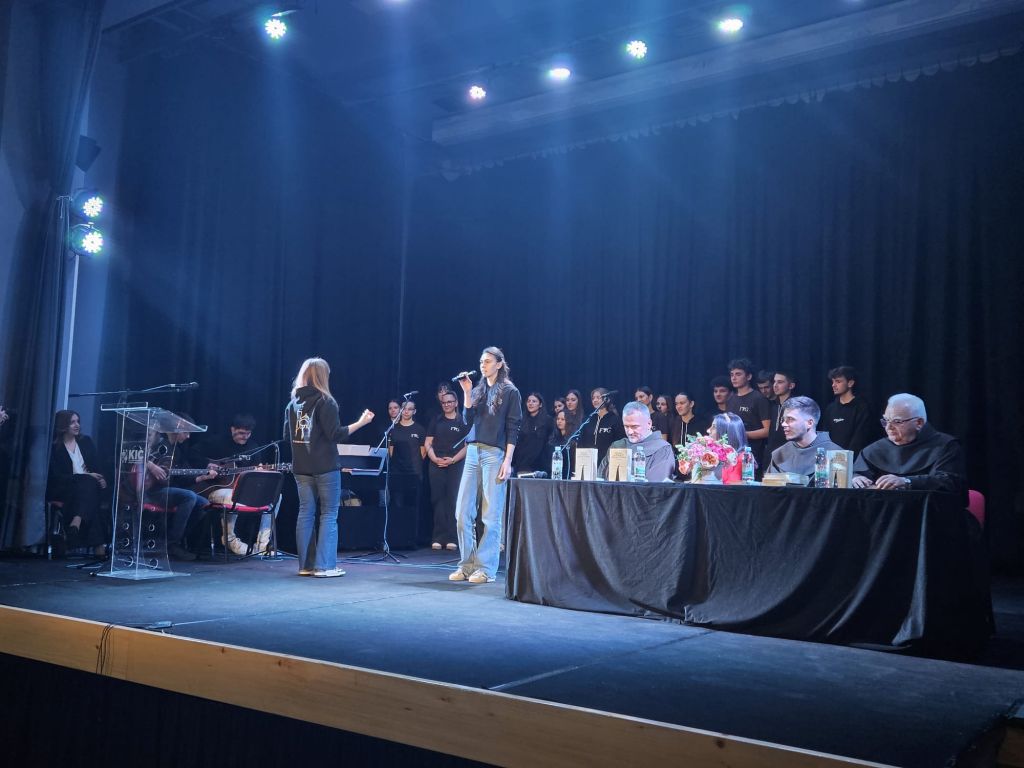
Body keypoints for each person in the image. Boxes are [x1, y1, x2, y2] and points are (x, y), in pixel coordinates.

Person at [288, 357, 374, 578]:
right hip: (325, 466)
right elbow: (336, 434)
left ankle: (306, 566)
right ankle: (324, 566)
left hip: (301, 467)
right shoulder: (325, 401)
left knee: (305, 513)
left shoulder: (293, 403)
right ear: (323, 376)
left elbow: (287, 435)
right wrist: (362, 422)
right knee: (328, 514)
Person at [450, 346, 522, 585]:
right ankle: (467, 564)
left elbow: (513, 427)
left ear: (499, 364)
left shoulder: (510, 391)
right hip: (473, 451)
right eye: (481, 361)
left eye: (488, 361)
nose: (483, 365)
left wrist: (508, 460)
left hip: (494, 453)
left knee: (490, 514)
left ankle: (486, 569)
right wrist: (466, 392)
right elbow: (467, 421)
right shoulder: (478, 390)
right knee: (462, 512)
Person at [852, 394, 967, 505]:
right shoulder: (875, 449)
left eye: (897, 421)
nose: (888, 427)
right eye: (886, 420)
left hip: (929, 512)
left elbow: (949, 481)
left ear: (919, 423)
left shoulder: (946, 446)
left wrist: (906, 482)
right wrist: (856, 478)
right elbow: (856, 472)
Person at [47, 410, 108, 557]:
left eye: (78, 421)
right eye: (72, 422)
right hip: (65, 488)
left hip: (88, 488)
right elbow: (56, 477)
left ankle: (76, 521)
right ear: (63, 425)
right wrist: (85, 476)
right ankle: (98, 545)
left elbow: (97, 468)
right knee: (89, 489)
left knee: (90, 486)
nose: (77, 425)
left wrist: (101, 478)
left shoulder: (86, 442)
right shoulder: (55, 447)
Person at [425, 391, 468, 551]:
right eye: (444, 402)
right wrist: (434, 458)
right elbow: (428, 443)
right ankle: (438, 537)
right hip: (436, 463)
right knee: (438, 500)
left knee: (453, 500)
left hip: (456, 464)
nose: (447, 405)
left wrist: (453, 460)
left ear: (456, 403)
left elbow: (467, 446)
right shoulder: (436, 420)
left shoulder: (463, 421)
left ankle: (452, 537)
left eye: (450, 402)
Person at [598, 401, 675, 482]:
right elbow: (599, 479)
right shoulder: (617, 446)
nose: (630, 432)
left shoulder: (662, 449)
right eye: (626, 426)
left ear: (649, 423)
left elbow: (655, 486)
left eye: (634, 427)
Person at [769, 396, 841, 483]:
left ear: (809, 423)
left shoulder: (837, 455)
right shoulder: (780, 454)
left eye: (790, 419)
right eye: (783, 419)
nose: (784, 424)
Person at [726, 358, 771, 468]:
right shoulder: (731, 399)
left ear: (749, 376)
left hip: (753, 454)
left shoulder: (758, 398)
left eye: (738, 374)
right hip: (732, 454)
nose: (734, 378)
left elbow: (768, 430)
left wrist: (743, 434)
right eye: (732, 374)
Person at [822, 365, 876, 456]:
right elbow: (825, 436)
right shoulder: (830, 408)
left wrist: (845, 458)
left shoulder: (862, 408)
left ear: (850, 383)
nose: (833, 385)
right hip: (831, 459)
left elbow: (860, 438)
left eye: (838, 381)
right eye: (833, 381)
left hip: (852, 459)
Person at [388, 400, 426, 513]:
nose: (406, 411)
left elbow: (423, 452)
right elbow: (391, 451)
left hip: (415, 473)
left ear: (414, 411)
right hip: (398, 473)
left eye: (409, 409)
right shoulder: (393, 429)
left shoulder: (420, 429)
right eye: (404, 409)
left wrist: (414, 464)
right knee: (397, 505)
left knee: (414, 506)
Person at [581, 388, 625, 466]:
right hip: (589, 461)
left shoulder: (615, 420)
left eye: (598, 397)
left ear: (607, 399)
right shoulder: (588, 420)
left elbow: (620, 443)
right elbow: (582, 442)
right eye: (593, 398)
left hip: (608, 462)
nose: (595, 400)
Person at [512, 392, 554, 474]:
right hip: (522, 465)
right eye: (528, 401)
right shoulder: (521, 420)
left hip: (541, 465)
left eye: (534, 401)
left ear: (540, 404)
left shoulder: (548, 421)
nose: (530, 403)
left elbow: (549, 444)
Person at [765, 369, 797, 464]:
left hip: (790, 457)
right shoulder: (773, 405)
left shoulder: (796, 407)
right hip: (771, 456)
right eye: (774, 381)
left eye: (780, 382)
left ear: (791, 386)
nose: (775, 385)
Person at [708, 412, 748, 484]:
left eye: (714, 427)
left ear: (727, 432)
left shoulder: (744, 457)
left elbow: (745, 484)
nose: (708, 430)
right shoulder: (709, 455)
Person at [548, 409, 576, 479]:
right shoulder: (553, 438)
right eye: (558, 419)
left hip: (568, 476)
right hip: (553, 475)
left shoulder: (573, 440)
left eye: (563, 419)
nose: (559, 421)